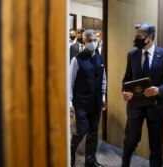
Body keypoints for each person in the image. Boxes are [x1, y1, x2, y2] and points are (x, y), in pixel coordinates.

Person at [121, 22, 163, 167]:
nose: (136, 40)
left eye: (139, 37)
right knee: (130, 142)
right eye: (135, 37)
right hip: (135, 107)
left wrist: (160, 89)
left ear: (150, 37)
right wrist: (125, 92)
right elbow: (126, 79)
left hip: (156, 107)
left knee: (156, 147)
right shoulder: (132, 55)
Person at [70, 29, 106, 167]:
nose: (93, 43)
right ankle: (70, 153)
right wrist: (70, 103)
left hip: (96, 102)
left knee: (93, 132)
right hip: (81, 103)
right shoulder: (77, 60)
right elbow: (70, 82)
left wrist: (103, 97)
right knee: (81, 130)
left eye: (95, 40)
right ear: (84, 41)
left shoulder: (100, 57)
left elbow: (103, 78)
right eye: (90, 41)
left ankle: (90, 161)